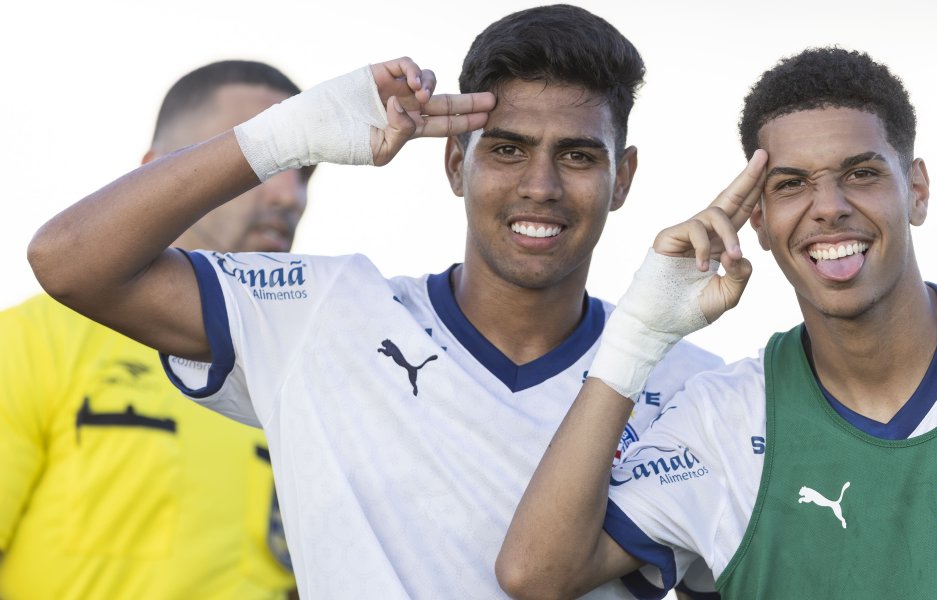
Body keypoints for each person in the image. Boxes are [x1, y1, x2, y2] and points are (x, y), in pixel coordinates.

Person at [27, 6, 723, 598]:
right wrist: (283, 138)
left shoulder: (697, 391)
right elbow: (70, 262)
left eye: (577, 155)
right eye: (507, 150)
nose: (539, 184)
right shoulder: (321, 313)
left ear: (622, 176)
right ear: (456, 162)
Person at [498, 47, 937, 599]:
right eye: (791, 184)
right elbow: (536, 575)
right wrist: (639, 334)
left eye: (860, 173)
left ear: (915, 190)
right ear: (762, 223)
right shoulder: (724, 421)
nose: (828, 206)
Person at [0, 60, 305, 600]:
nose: (290, 196)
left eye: (304, 170)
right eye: (261, 160)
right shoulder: (30, 342)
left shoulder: (314, 367)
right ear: (156, 172)